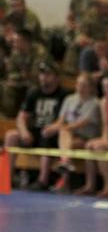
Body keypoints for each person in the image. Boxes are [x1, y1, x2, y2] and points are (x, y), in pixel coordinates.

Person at [4, 62, 68, 191]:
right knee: (11, 136)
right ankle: (6, 178)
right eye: (42, 74)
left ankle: (42, 180)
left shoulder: (63, 94)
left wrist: (53, 127)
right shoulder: (34, 92)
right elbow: (22, 116)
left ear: (56, 77)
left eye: (48, 74)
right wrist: (23, 132)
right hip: (35, 131)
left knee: (47, 135)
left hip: (53, 133)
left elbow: (66, 118)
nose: (44, 78)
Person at [46, 73, 101, 193]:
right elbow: (61, 120)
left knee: (65, 134)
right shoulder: (69, 99)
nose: (80, 88)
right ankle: (65, 162)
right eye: (78, 84)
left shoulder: (94, 103)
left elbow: (82, 123)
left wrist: (60, 128)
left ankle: (64, 173)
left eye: (84, 85)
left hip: (85, 137)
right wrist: (50, 128)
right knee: (65, 137)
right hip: (69, 136)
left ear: (91, 87)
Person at [66, 0, 108, 74]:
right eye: (105, 5)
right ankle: (80, 76)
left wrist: (96, 44)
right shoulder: (90, 15)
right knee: (79, 48)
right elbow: (82, 31)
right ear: (97, 7)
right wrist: (82, 38)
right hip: (93, 45)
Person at [0, 29, 48, 117]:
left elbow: (36, 73)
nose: (13, 43)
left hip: (40, 82)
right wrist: (19, 77)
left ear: (25, 42)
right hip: (22, 82)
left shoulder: (40, 52)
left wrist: (21, 76)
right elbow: (11, 72)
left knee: (33, 89)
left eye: (16, 41)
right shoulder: (15, 52)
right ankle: (8, 117)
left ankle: (29, 116)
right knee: (6, 87)